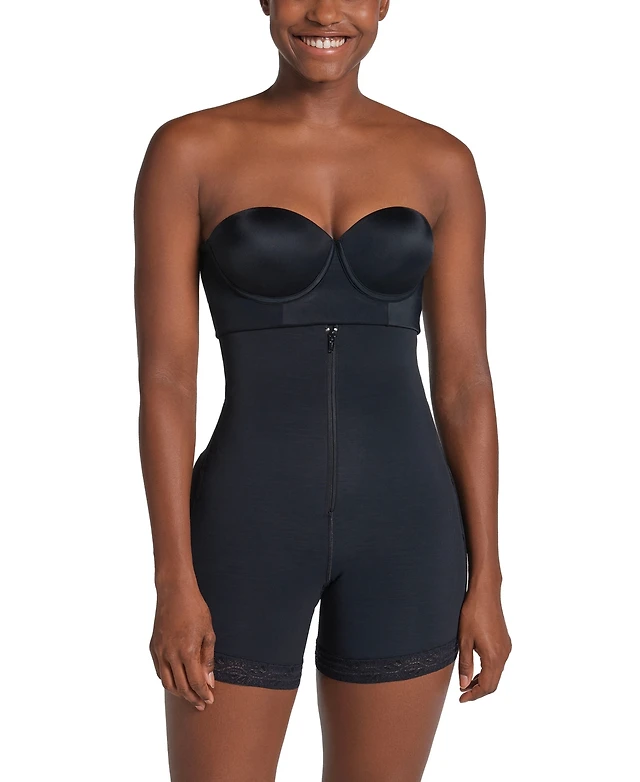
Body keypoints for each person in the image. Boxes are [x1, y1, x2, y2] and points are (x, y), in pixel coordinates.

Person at [134, 1, 512, 779]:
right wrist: (174, 579)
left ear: (384, 4)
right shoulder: (191, 149)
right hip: (245, 529)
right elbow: (166, 379)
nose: (325, 12)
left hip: (409, 534)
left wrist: (489, 578)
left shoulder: (441, 160)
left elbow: (466, 383)